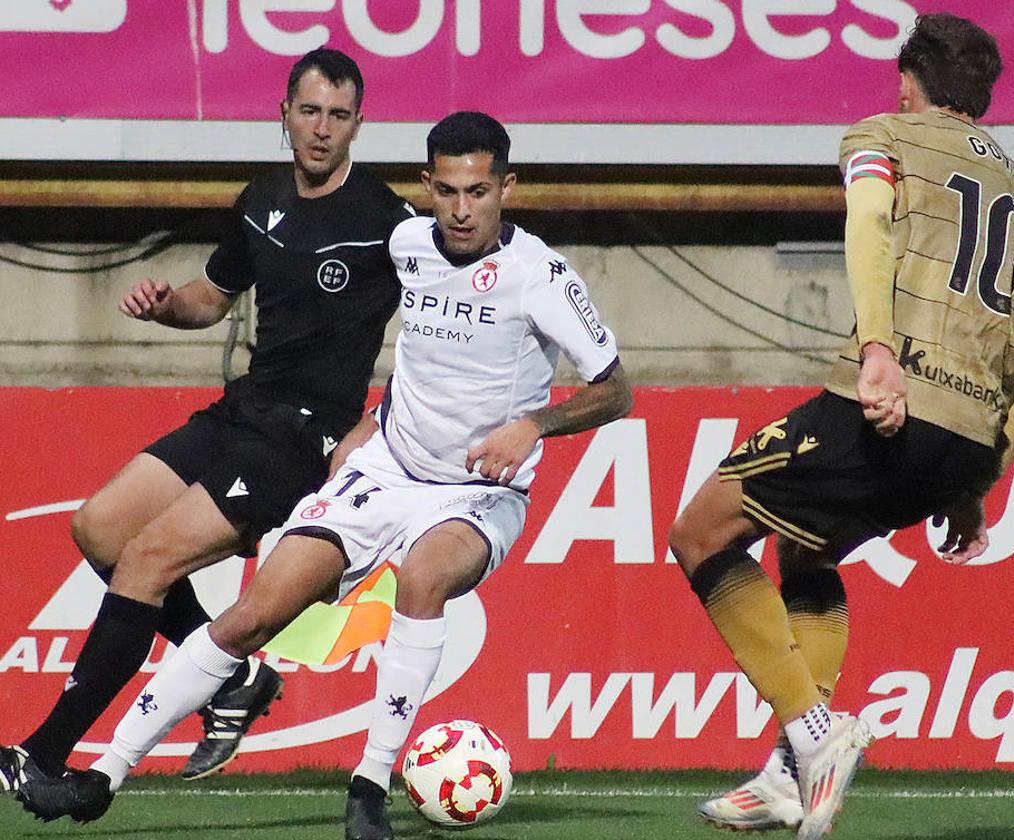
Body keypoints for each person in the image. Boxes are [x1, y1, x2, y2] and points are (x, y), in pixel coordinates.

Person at [15, 111, 634, 840]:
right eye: (448, 191)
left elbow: (616, 389)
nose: (463, 210)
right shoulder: (406, 243)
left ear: (509, 187)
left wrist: (534, 424)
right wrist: (368, 423)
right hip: (385, 469)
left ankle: (369, 786)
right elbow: (410, 353)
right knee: (252, 616)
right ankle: (102, 777)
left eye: (480, 191)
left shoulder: (542, 276)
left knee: (424, 579)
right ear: (428, 186)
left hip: (477, 491)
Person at [671, 14, 1014, 839]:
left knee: (701, 532)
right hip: (965, 440)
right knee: (804, 544)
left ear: (907, 82)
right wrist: (981, 476)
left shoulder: (882, 134)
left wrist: (878, 352)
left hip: (886, 404)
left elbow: (869, 224)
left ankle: (818, 735)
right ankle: (786, 776)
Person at [0, 48, 415, 796]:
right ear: (283, 113)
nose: (321, 129)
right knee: (98, 527)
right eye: (310, 111)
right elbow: (213, 296)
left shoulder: (388, 221)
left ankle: (44, 751)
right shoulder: (260, 199)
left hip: (301, 437)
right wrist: (167, 306)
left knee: (147, 561)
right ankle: (239, 676)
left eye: (339, 116)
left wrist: (377, 421)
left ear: (360, 124)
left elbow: (437, 330)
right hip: (241, 408)